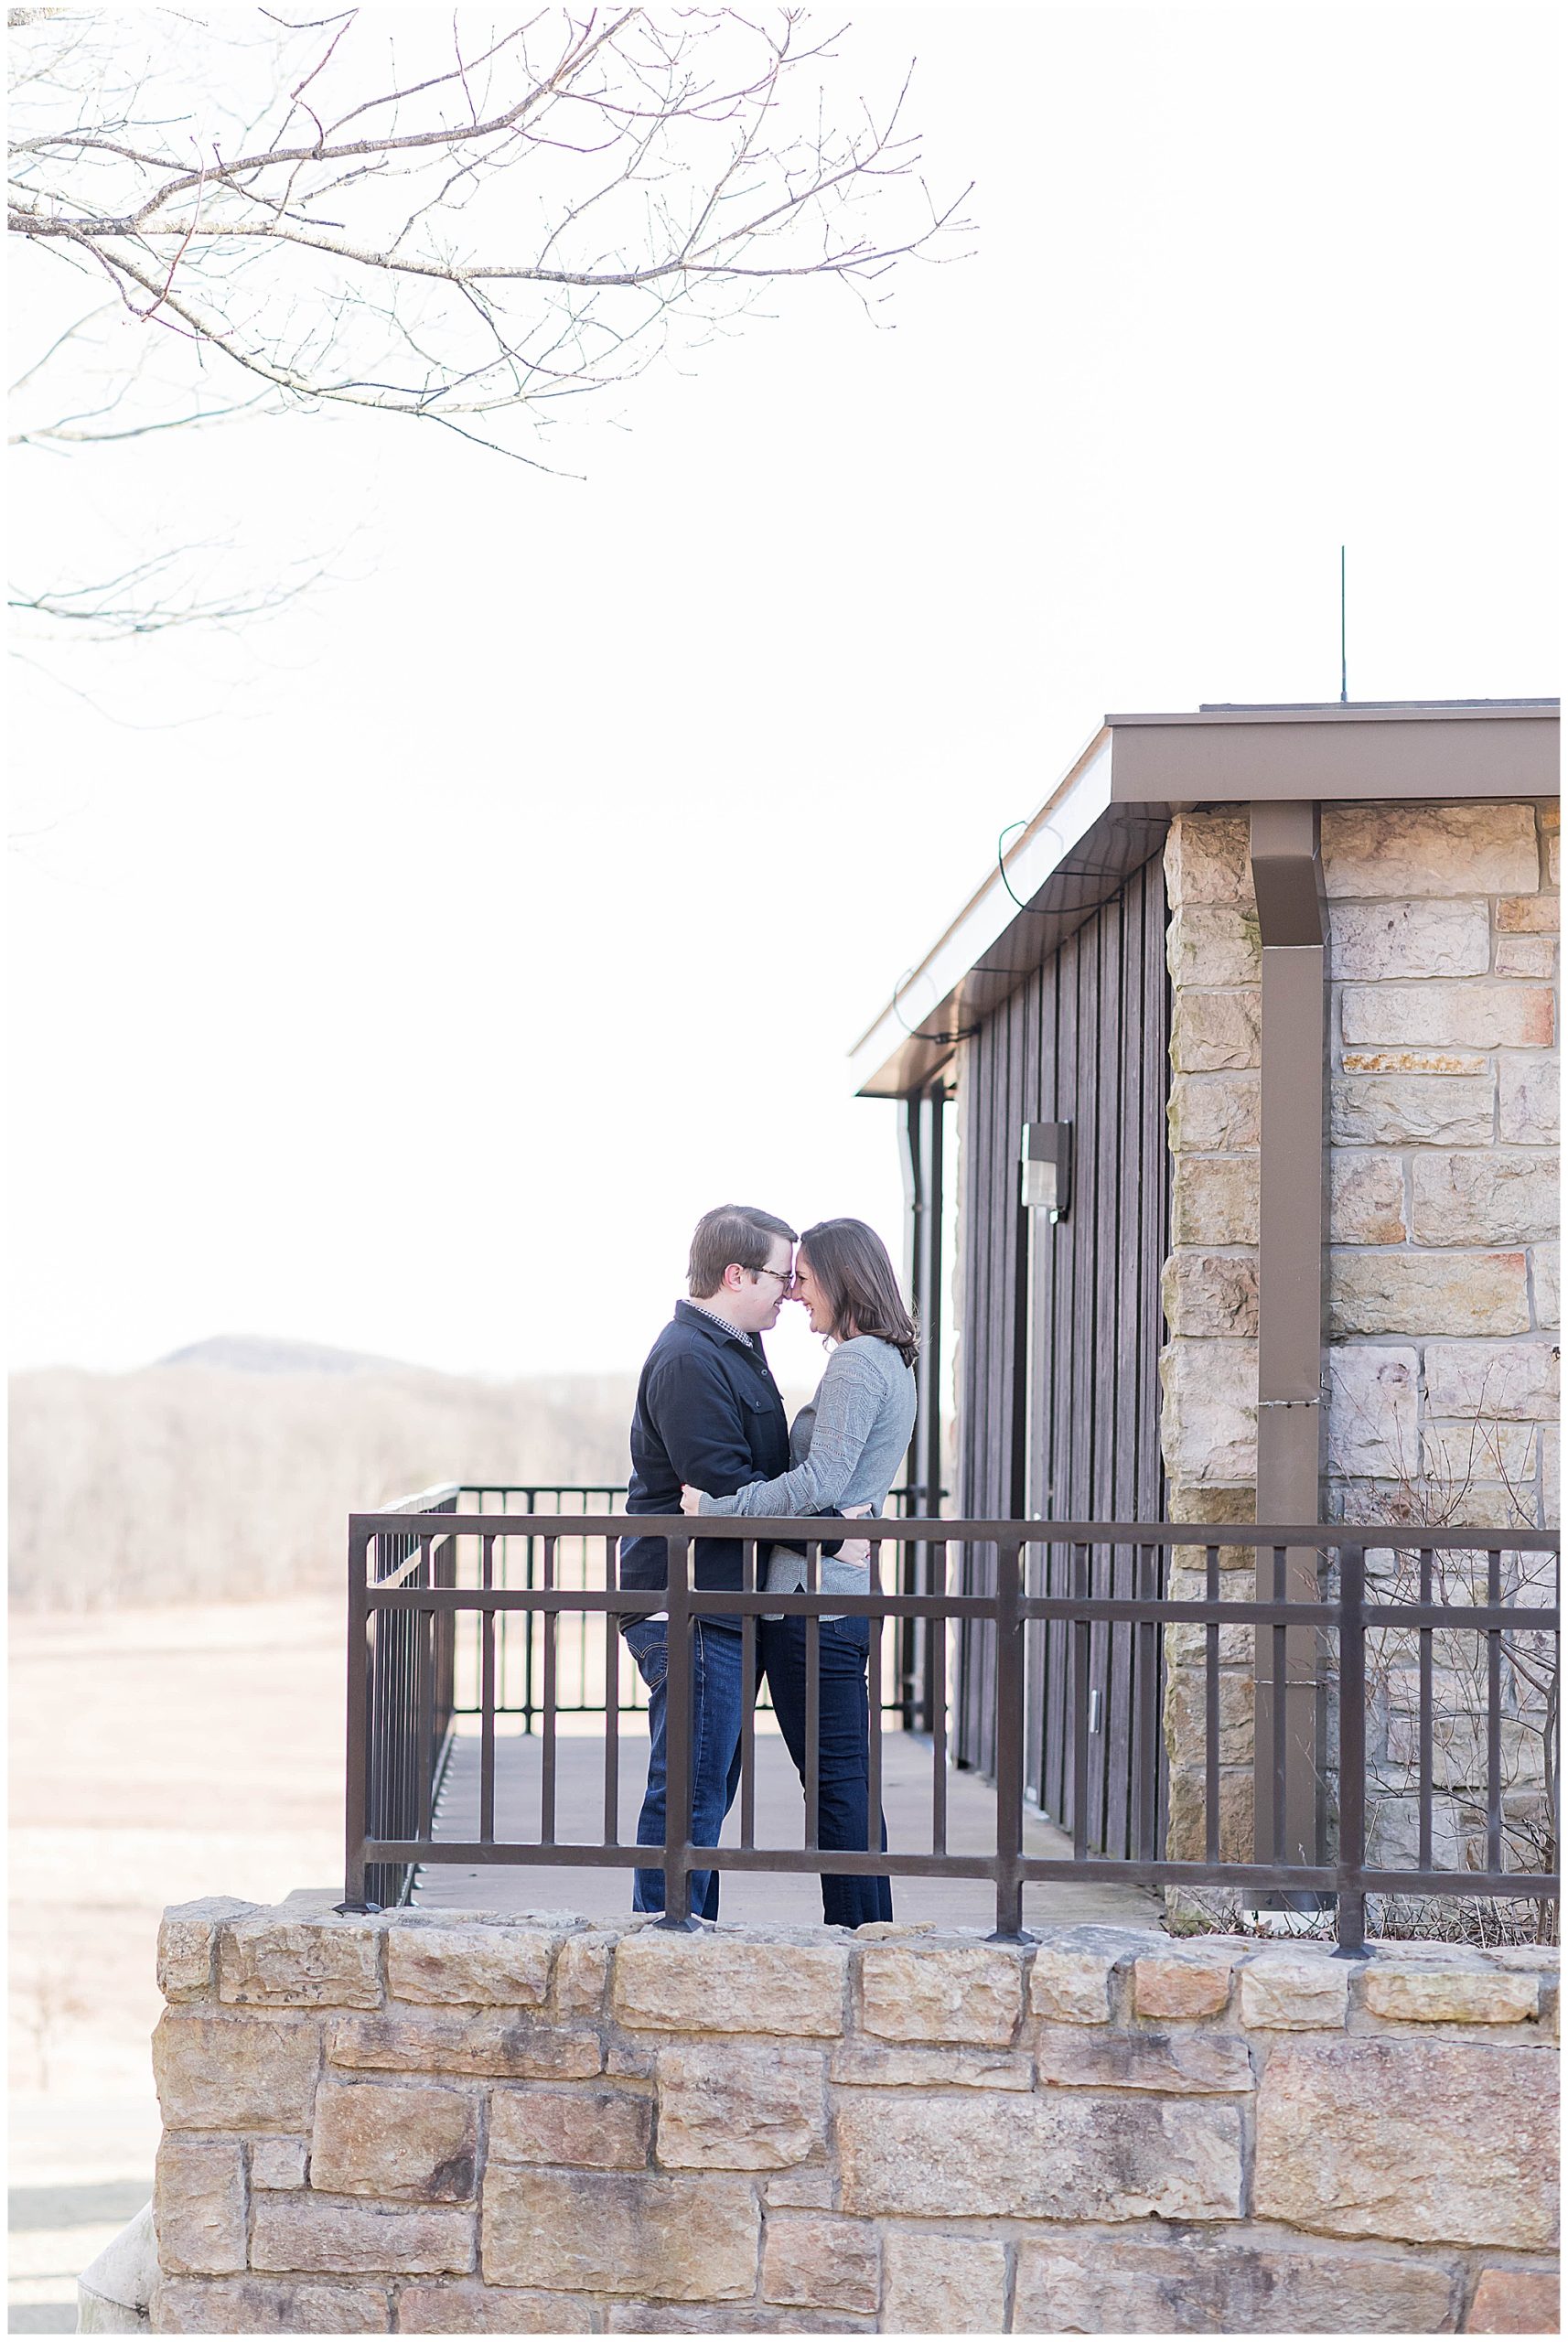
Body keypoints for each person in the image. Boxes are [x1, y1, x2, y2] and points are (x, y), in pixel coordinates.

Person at [683, 1218, 918, 1928]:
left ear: (842, 1278)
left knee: (837, 1785)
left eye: (805, 1278)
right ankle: (868, 1932)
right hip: (837, 1597)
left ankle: (858, 1939)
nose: (795, 1291)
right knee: (844, 1779)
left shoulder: (856, 1362)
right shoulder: (894, 1361)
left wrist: (720, 1509)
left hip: (811, 1606)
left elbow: (820, 1480)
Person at [618, 1203, 799, 1922]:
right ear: (736, 1275)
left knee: (708, 1785)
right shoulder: (689, 1358)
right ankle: (662, 1943)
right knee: (690, 1785)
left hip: (722, 1598)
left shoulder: (734, 1346)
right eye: (781, 1277)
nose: (790, 1291)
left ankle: (689, 1930)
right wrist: (827, 1527)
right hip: (686, 1602)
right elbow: (722, 1486)